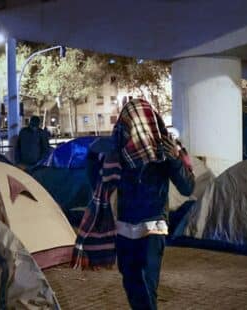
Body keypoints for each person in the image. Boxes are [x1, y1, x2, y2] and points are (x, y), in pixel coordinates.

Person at [75, 99, 194, 310]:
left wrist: (174, 159)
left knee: (147, 285)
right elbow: (98, 184)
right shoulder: (119, 150)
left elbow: (187, 187)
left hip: (153, 226)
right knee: (131, 284)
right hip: (125, 227)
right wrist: (93, 156)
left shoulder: (164, 147)